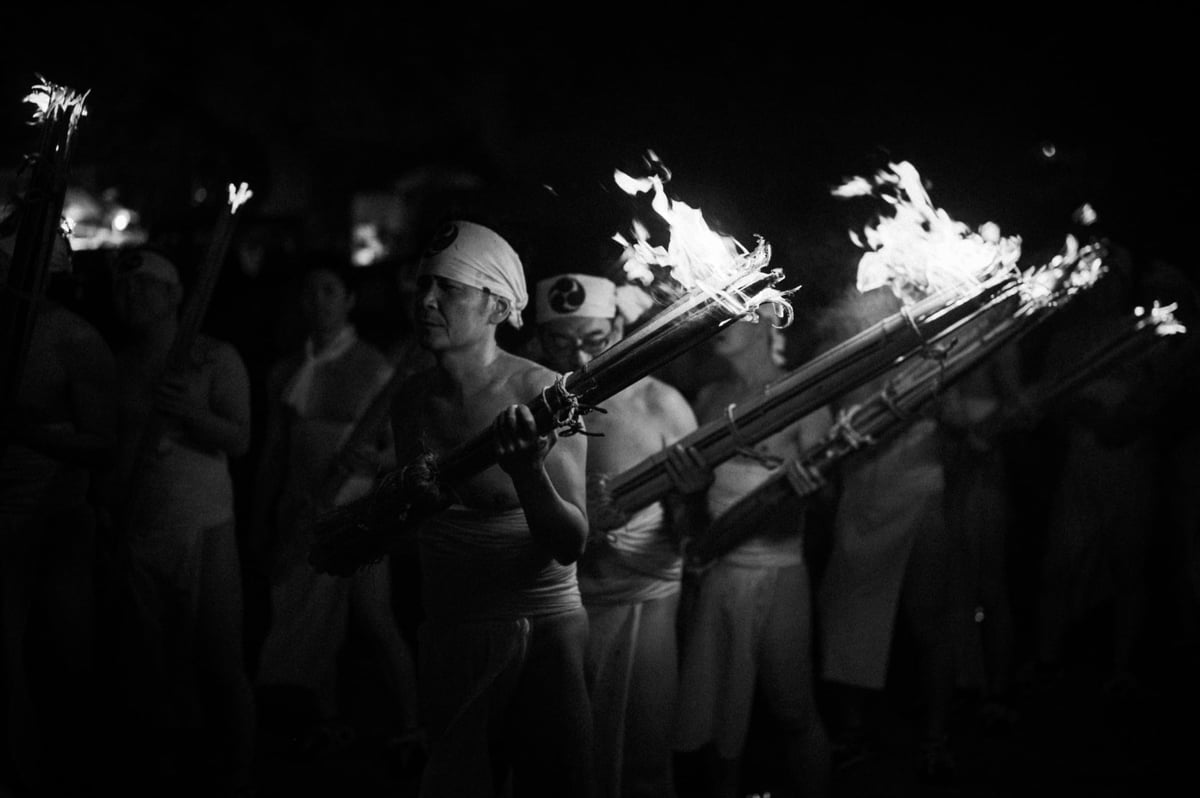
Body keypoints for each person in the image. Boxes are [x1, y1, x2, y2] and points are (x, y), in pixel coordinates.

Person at [385, 219, 593, 797]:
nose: (426, 300)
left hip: (541, 631)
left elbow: (571, 541)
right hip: (449, 630)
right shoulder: (410, 401)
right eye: (424, 284)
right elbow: (412, 531)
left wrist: (527, 473)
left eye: (448, 288)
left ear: (498, 307)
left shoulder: (547, 394)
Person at [529, 270, 708, 798]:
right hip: (555, 610)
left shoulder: (662, 405)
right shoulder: (525, 407)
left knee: (646, 759)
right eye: (561, 342)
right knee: (559, 767)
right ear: (539, 339)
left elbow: (693, 535)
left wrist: (695, 493)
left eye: (594, 341)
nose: (578, 358)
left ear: (619, 330)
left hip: (643, 601)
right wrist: (579, 528)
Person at [248, 257, 421, 758]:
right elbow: (274, 453)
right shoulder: (287, 368)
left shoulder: (374, 366)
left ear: (348, 299)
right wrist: (261, 516)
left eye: (329, 291)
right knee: (301, 614)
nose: (317, 302)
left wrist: (380, 458)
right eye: (309, 293)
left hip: (357, 507)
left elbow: (405, 448)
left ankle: (412, 721)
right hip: (298, 506)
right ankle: (324, 716)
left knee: (372, 614)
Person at [103, 247, 257, 797]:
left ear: (173, 296)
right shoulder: (116, 364)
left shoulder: (214, 357)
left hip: (203, 523)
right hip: (138, 527)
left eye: (143, 286)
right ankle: (164, 770)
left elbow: (239, 439)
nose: (130, 297)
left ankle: (238, 772)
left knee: (218, 657)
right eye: (122, 289)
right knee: (146, 664)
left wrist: (191, 414)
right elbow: (112, 449)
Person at [672, 307, 834, 798]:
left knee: (793, 712)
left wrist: (805, 489)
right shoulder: (709, 398)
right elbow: (696, 509)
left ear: (766, 324)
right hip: (717, 571)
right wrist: (692, 492)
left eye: (735, 318)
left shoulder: (803, 398)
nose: (719, 329)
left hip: (776, 569)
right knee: (715, 717)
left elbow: (826, 497)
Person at [812, 285, 961, 785]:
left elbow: (958, 419)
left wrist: (938, 404)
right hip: (862, 498)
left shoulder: (932, 354)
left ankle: (937, 738)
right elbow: (829, 434)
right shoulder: (845, 363)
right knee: (848, 615)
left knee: (928, 619)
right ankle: (853, 733)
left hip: (919, 492)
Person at [0, 222, 117, 795]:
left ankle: (74, 773)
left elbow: (103, 442)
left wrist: (27, 433)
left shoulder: (74, 339)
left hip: (55, 522)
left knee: (68, 656)